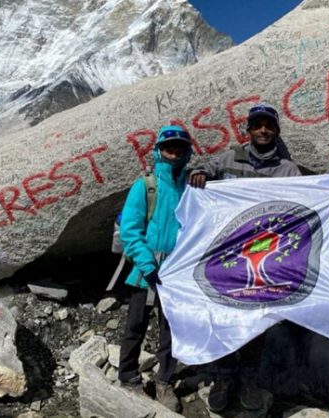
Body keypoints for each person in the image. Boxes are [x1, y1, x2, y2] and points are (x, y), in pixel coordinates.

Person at [188, 103, 302, 412]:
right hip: (227, 258)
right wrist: (199, 174)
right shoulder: (228, 158)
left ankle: (250, 380)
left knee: (256, 320)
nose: (263, 130)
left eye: (269, 125)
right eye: (257, 125)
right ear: (247, 130)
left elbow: (305, 202)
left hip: (266, 262)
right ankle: (225, 378)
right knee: (226, 317)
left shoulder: (288, 170)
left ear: (276, 131)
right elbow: (203, 172)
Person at [118, 125, 194, 413]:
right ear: (158, 150)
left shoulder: (191, 186)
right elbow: (130, 231)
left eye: (179, 148)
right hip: (146, 270)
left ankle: (164, 379)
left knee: (170, 328)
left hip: (177, 271)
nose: (173, 153)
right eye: (169, 147)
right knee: (135, 325)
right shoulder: (145, 186)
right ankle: (128, 377)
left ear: (187, 152)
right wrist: (148, 265)